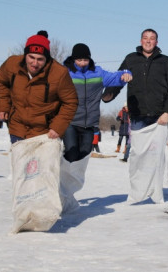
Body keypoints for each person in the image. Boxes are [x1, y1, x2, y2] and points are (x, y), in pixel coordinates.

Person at [0, 31, 78, 232]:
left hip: (44, 132)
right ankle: (24, 214)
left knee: (41, 175)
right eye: (31, 57)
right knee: (22, 175)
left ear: (47, 58)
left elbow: (71, 102)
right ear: (25, 55)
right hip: (17, 126)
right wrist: (3, 105)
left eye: (40, 59)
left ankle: (43, 215)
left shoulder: (59, 73)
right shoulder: (12, 65)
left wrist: (57, 128)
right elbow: (1, 81)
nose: (34, 62)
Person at [102, 28, 168, 204]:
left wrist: (167, 112)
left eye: (152, 38)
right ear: (140, 40)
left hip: (159, 117)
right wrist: (108, 95)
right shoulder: (131, 59)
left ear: (157, 42)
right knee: (137, 156)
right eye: (145, 38)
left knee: (157, 156)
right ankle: (137, 194)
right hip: (137, 116)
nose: (148, 41)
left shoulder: (165, 61)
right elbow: (119, 79)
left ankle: (156, 194)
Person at [60, 43, 131, 212]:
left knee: (84, 153)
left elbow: (115, 77)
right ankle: (60, 188)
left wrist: (126, 74)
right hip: (70, 120)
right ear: (73, 59)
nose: (82, 63)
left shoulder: (97, 72)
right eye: (79, 59)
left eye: (85, 59)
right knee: (71, 151)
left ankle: (68, 191)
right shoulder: (65, 73)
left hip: (90, 122)